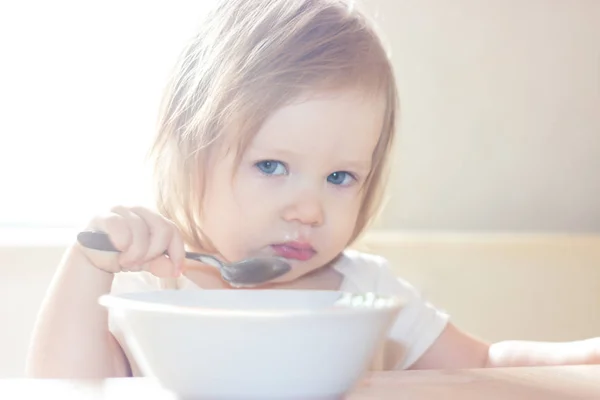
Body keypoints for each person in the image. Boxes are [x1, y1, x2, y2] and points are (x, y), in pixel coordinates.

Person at [26, 0, 599, 379]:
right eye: (272, 166)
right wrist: (90, 259)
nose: (309, 209)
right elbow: (64, 387)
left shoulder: (362, 289)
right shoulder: (152, 286)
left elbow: (484, 363)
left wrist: (584, 357)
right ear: (190, 148)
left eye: (340, 177)